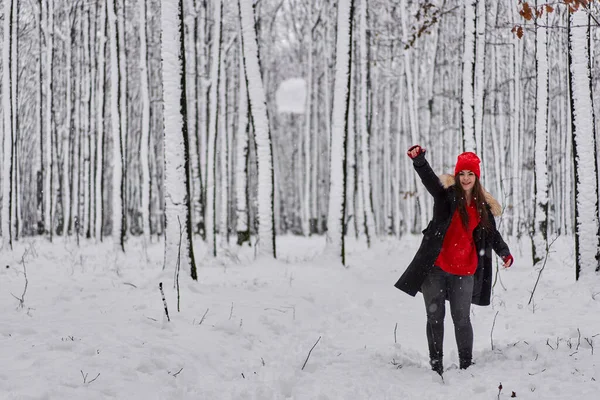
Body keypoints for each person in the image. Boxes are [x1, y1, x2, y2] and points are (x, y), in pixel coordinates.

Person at [395, 145, 513, 376]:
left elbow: (491, 234)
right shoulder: (445, 196)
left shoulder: (482, 207)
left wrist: (505, 253)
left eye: (470, 174)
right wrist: (419, 160)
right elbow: (429, 180)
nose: (466, 178)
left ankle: (466, 365)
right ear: (456, 175)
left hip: (464, 270)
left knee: (461, 318)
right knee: (435, 317)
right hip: (435, 268)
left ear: (476, 177)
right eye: (462, 173)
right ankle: (436, 365)